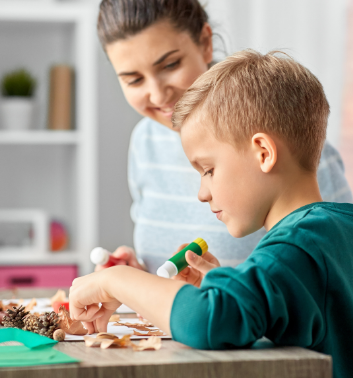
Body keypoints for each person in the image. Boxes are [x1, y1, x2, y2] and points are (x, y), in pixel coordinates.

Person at [71, 50, 353, 378]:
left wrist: (114, 280)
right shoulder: (333, 230)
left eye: (208, 170)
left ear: (263, 153)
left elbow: (207, 320)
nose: (202, 193)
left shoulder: (295, 247)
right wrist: (227, 287)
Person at [96, 0, 352, 274]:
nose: (158, 95)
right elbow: (175, 280)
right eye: (134, 80)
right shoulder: (144, 143)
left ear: (205, 42)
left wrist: (222, 298)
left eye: (170, 64)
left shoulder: (285, 139)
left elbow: (338, 265)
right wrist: (139, 275)